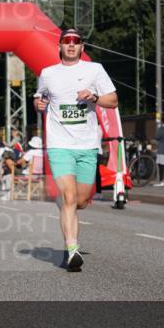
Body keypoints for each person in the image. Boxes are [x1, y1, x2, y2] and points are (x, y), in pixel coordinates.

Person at [34, 27, 117, 272]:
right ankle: (72, 250)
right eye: (67, 41)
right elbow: (39, 98)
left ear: (82, 47)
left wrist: (94, 98)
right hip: (60, 145)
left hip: (87, 145)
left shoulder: (95, 70)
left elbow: (113, 101)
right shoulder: (48, 73)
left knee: (80, 201)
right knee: (69, 197)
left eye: (76, 41)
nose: (71, 44)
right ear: (59, 46)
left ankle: (68, 210)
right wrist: (38, 104)